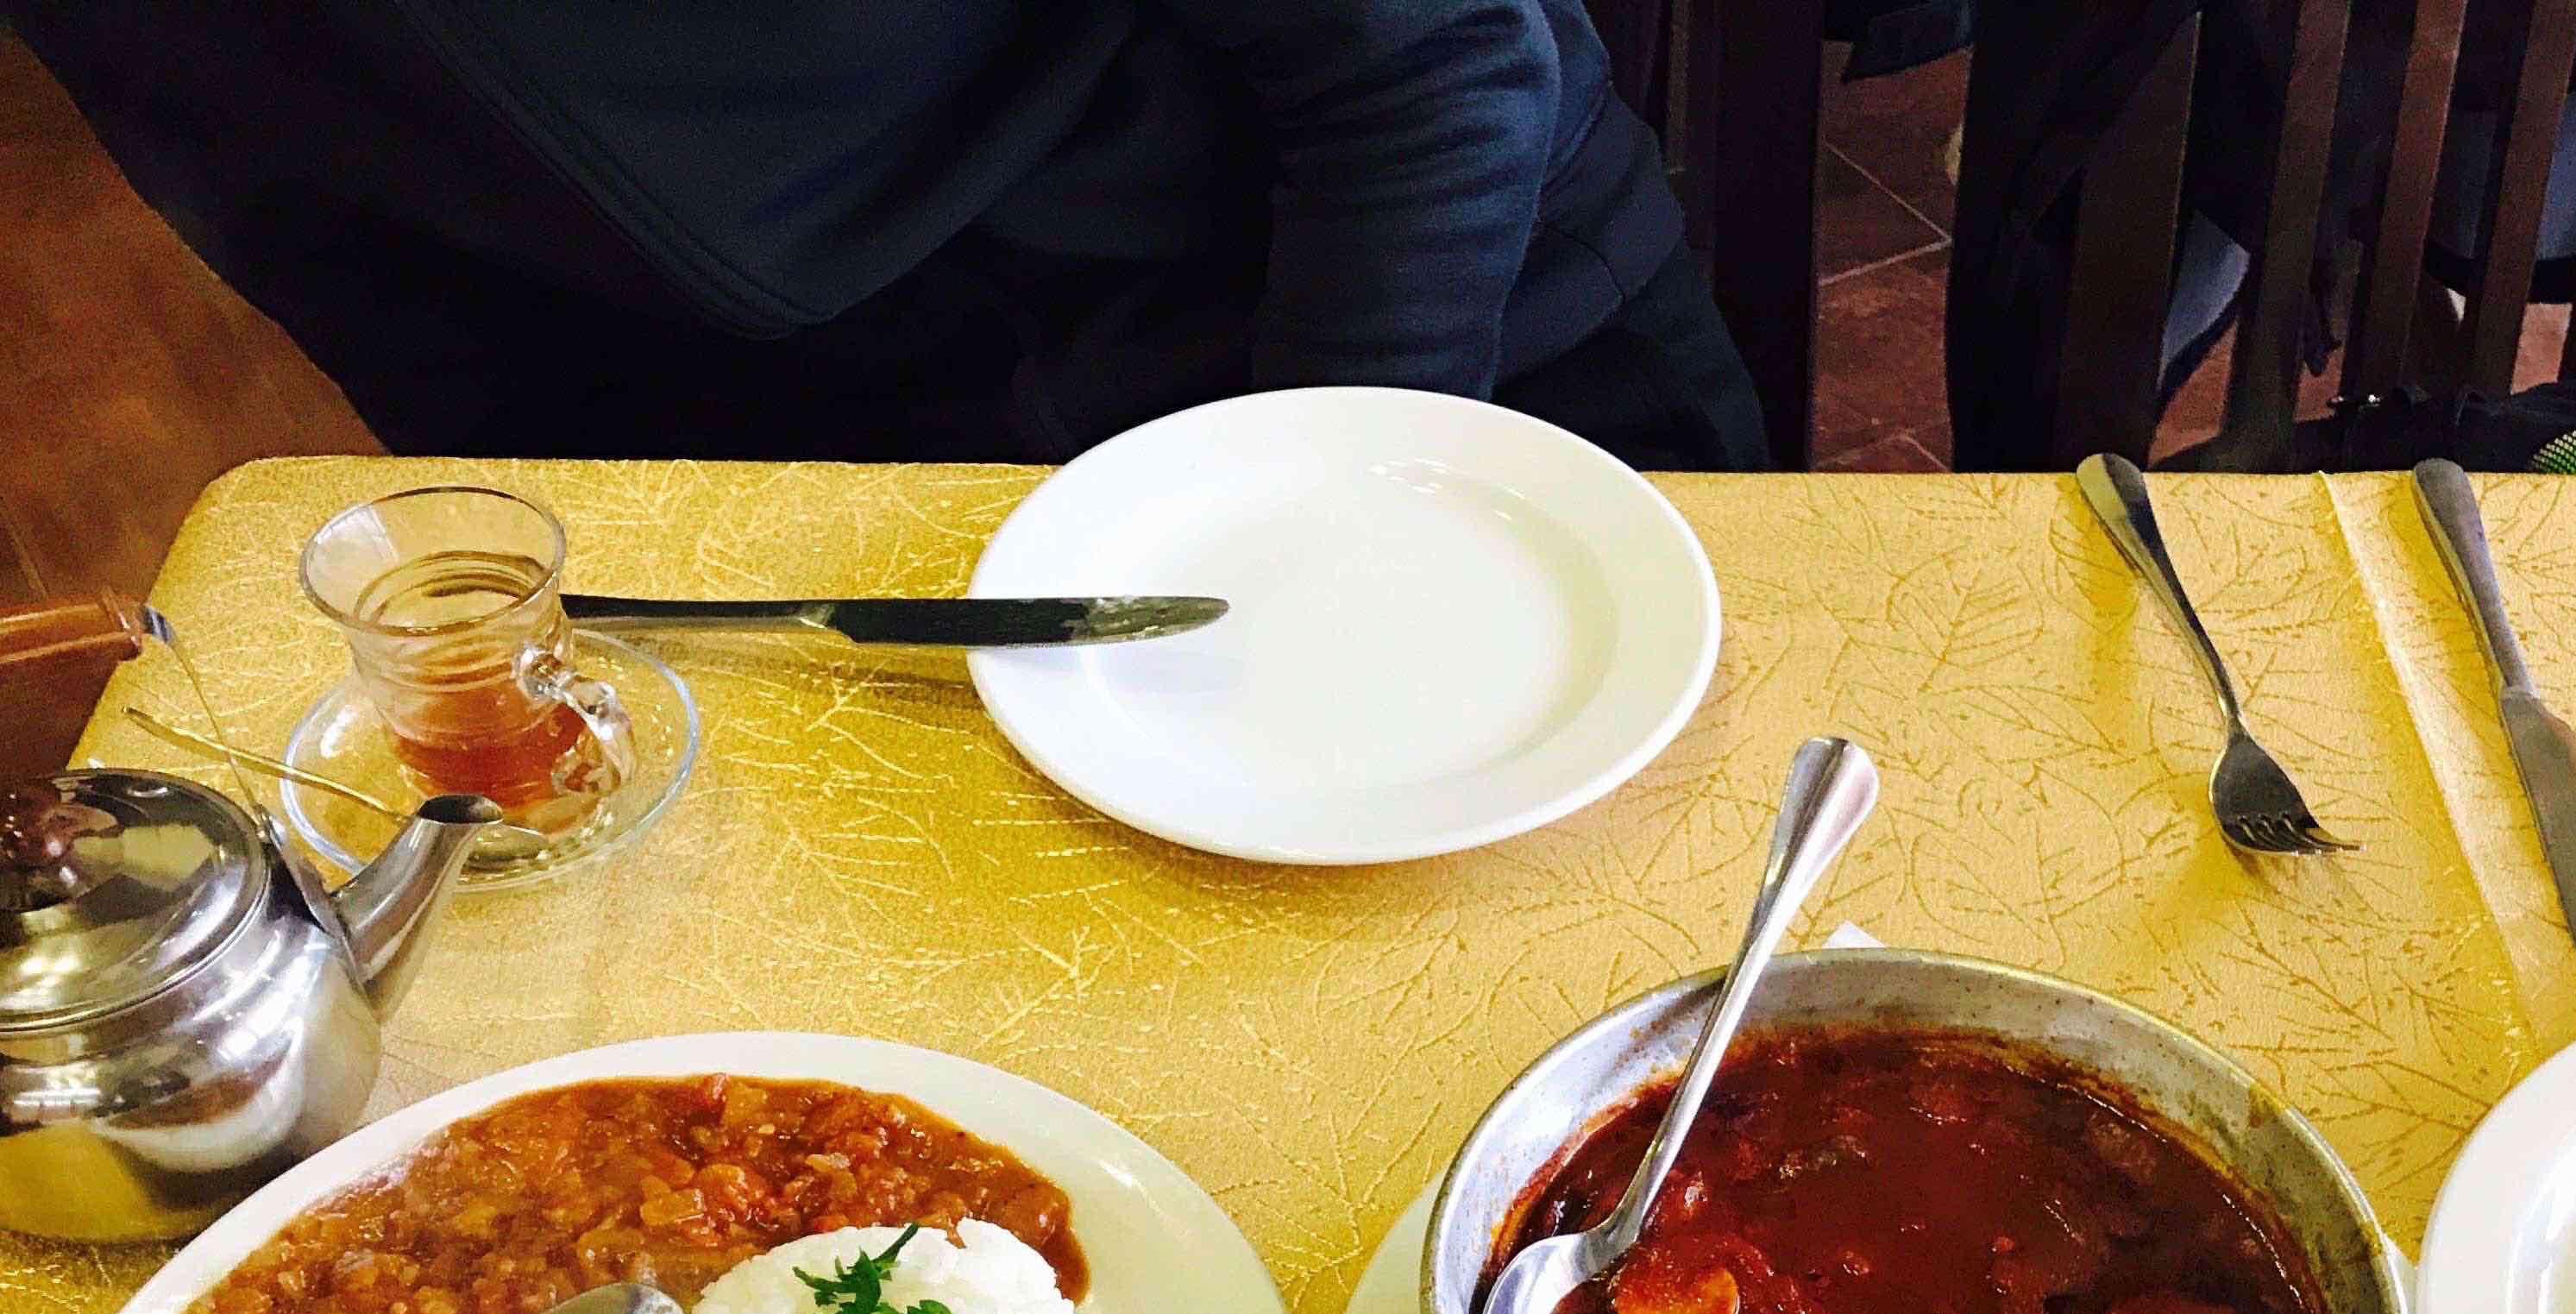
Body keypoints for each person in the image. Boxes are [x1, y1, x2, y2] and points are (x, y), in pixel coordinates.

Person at [9, 0, 1769, 471]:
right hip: (874, 485)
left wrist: (1323, 512)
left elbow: (1435, 68)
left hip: (1452, 333)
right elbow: (394, 297)